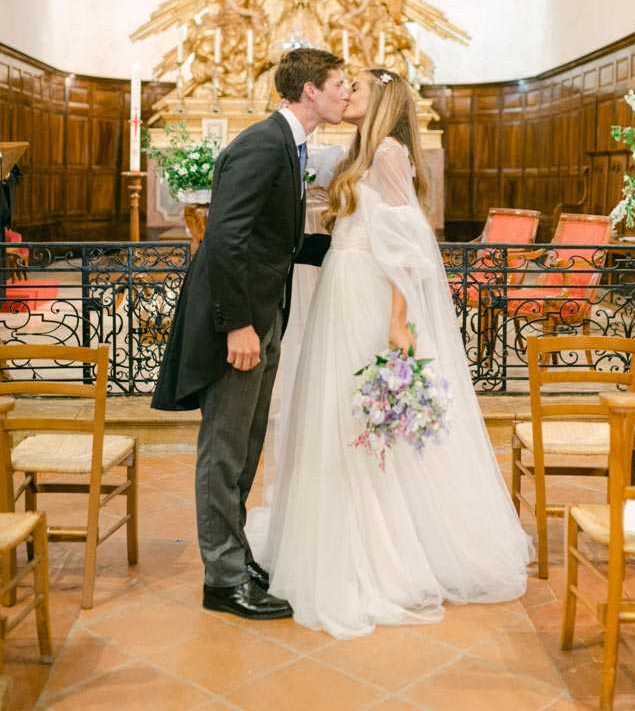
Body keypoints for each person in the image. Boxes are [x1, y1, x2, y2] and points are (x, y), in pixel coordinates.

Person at [248, 68, 534, 639]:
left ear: (379, 100)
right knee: (341, 412)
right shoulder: (361, 151)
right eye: (343, 85)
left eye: (355, 88)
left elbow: (408, 242)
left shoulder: (388, 151)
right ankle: (341, 534)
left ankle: (380, 550)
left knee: (363, 414)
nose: (346, 93)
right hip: (345, 287)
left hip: (372, 296)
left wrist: (400, 321)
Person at [151, 47, 349, 620]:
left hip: (263, 314)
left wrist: (346, 247)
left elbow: (270, 241)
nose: (343, 93)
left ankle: (235, 556)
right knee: (223, 449)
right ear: (309, 90)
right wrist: (238, 325)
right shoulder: (263, 144)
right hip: (238, 322)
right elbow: (225, 240)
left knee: (245, 446)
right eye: (337, 83)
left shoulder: (287, 144)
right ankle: (223, 579)